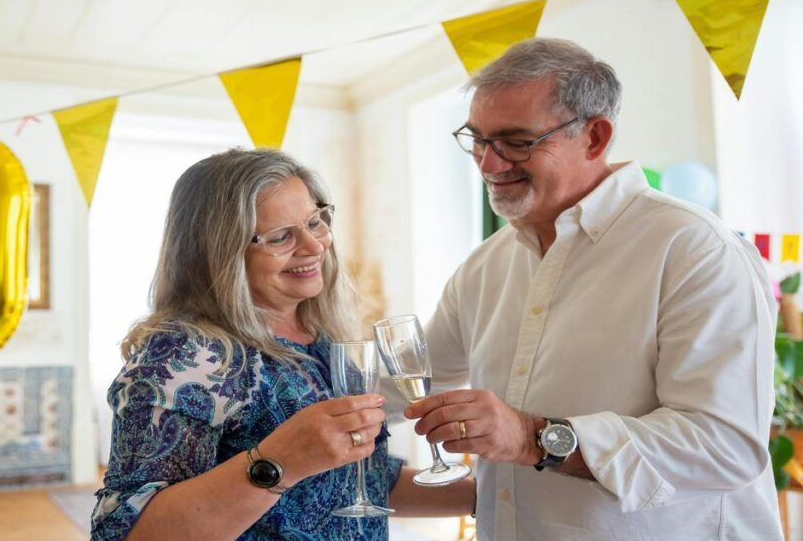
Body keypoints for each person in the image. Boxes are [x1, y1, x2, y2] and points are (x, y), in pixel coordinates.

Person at [402, 38, 781, 539]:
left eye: (516, 142)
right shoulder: (483, 267)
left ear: (595, 137)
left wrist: (532, 438)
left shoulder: (693, 249)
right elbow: (411, 380)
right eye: (477, 139)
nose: (488, 165)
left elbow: (722, 445)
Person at [91, 148, 475, 540]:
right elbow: (127, 532)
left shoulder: (320, 340)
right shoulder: (184, 355)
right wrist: (281, 461)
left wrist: (490, 494)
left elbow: (354, 486)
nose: (313, 247)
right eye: (279, 237)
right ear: (218, 252)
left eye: (315, 222)